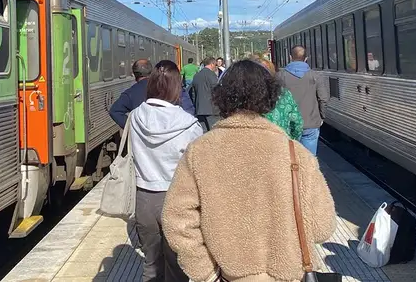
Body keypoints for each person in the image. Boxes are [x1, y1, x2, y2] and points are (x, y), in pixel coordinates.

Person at [163, 60, 336, 282]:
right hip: (286, 276)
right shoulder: (296, 153)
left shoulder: (199, 151)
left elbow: (176, 219)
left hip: (227, 275)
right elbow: (323, 227)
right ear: (270, 98)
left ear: (222, 98)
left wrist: (205, 272)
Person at [129, 60, 203, 282]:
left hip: (144, 199)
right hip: (176, 199)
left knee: (150, 263)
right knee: (177, 264)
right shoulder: (189, 124)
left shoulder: (134, 117)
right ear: (176, 86)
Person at [109, 59, 195, 128]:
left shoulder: (129, 93)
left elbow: (114, 111)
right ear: (152, 72)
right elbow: (189, 112)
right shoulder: (167, 87)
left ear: (134, 74)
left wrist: (133, 127)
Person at [277, 45, 328, 155]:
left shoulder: (280, 76)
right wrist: (322, 116)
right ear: (306, 58)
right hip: (310, 123)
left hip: (288, 124)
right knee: (309, 159)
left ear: (290, 57)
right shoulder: (316, 76)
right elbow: (323, 99)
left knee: (290, 158)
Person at [254, 57, 303, 140]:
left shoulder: (243, 94)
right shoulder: (284, 94)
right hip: (281, 143)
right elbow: (297, 123)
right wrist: (292, 140)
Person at [189, 57, 220, 132]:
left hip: (199, 109)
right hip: (212, 109)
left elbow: (192, 92)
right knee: (214, 132)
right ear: (212, 64)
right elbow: (217, 90)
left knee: (203, 133)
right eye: (215, 65)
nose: (216, 67)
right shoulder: (211, 75)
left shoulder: (196, 76)